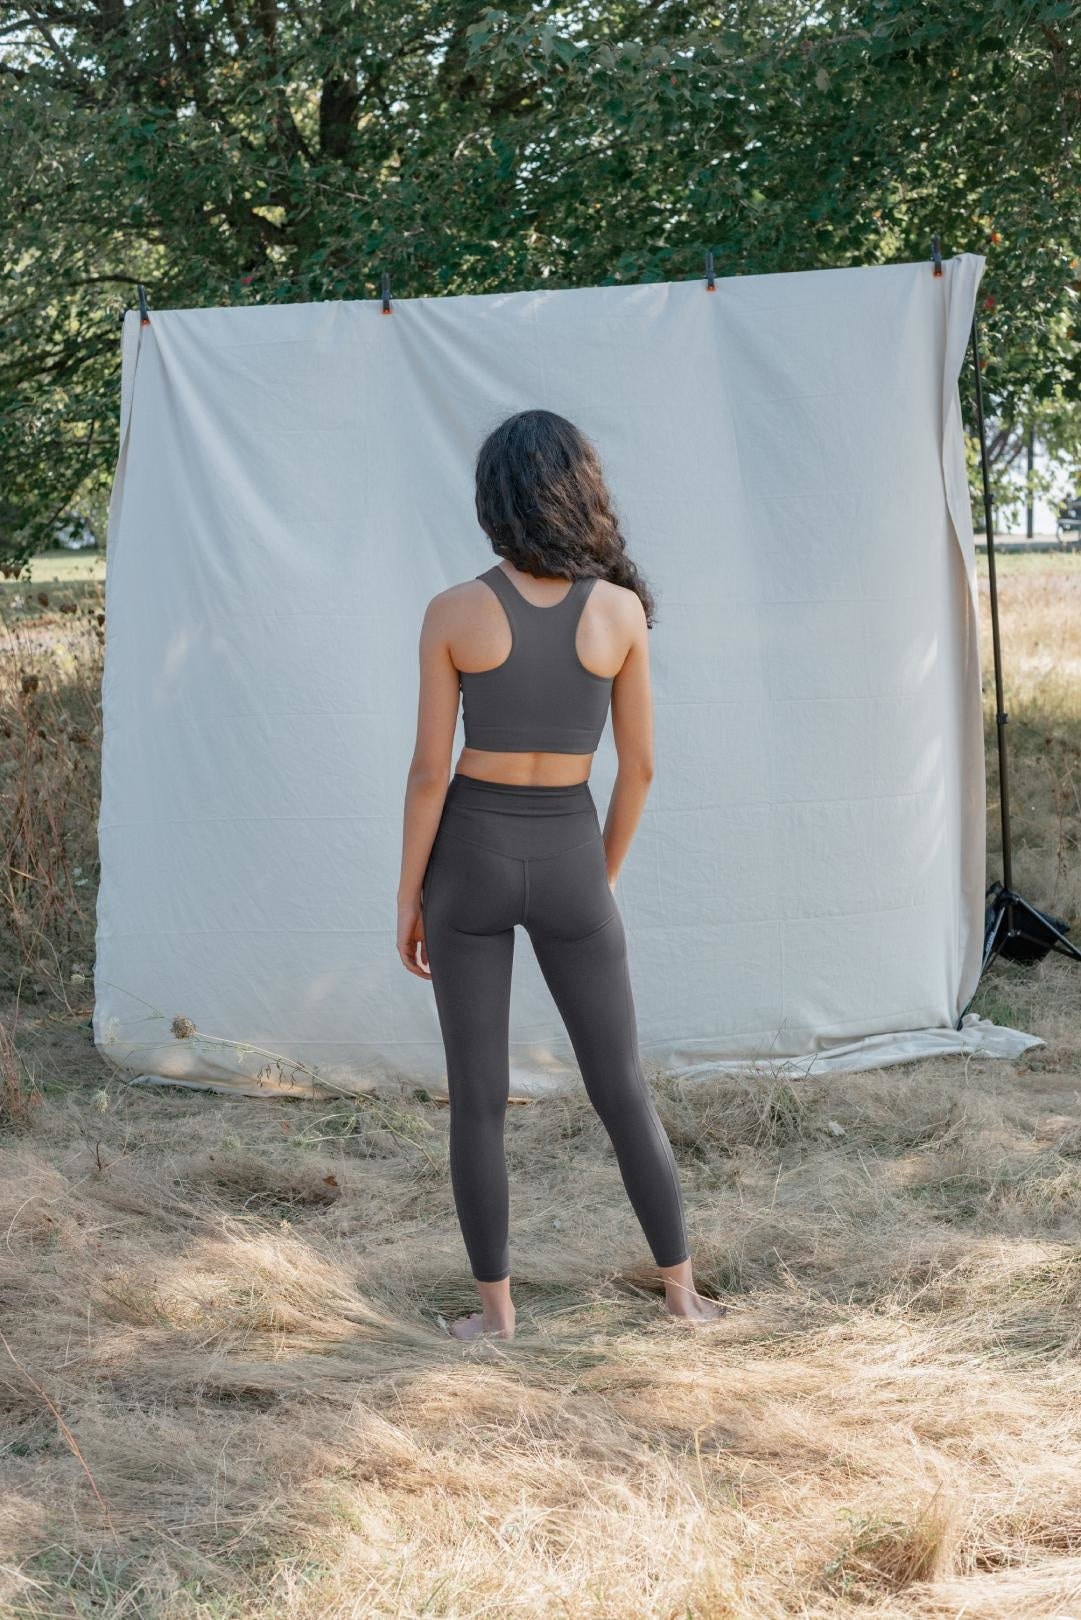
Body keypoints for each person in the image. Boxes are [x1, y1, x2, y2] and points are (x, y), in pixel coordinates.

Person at [397, 408, 723, 1341]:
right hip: (571, 850)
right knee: (621, 1086)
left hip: (468, 856)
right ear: (582, 490)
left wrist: (408, 894)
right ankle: (682, 1297)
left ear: (492, 500)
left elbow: (428, 775)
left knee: (477, 1098)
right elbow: (641, 767)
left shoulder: (453, 612)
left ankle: (496, 1319)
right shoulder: (618, 612)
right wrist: (597, 877)